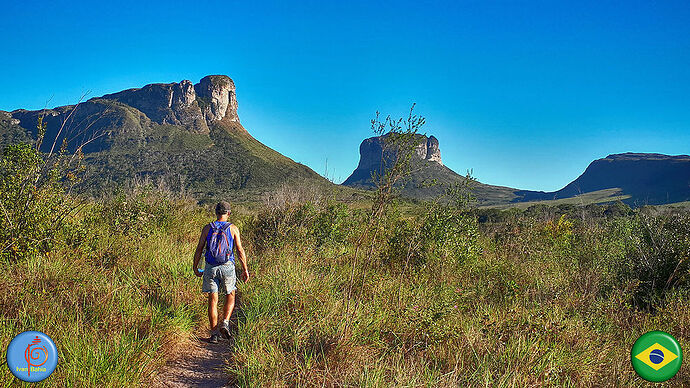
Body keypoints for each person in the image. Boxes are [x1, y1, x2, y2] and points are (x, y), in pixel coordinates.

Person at [192, 201, 250, 343]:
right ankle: (225, 322)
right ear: (228, 213)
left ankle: (214, 334)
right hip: (227, 266)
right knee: (231, 293)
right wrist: (245, 269)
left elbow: (199, 248)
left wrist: (195, 267)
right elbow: (240, 250)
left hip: (210, 267)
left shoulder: (207, 228)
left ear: (216, 212)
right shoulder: (233, 228)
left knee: (213, 299)